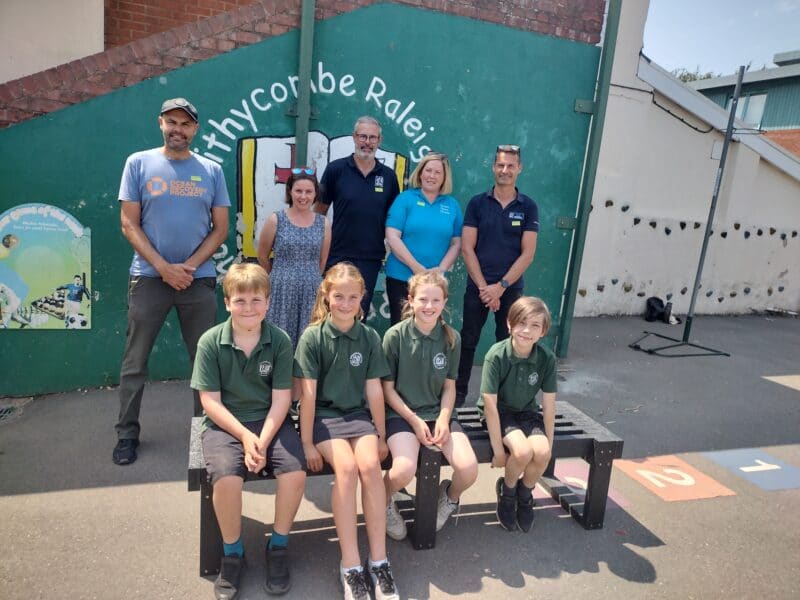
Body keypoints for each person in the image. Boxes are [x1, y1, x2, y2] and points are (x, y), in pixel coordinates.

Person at [113, 97, 230, 466]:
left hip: (198, 281)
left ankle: (207, 433)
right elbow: (128, 223)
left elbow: (221, 229)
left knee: (204, 361)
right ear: (160, 123)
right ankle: (127, 434)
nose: (178, 130)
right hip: (149, 278)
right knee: (135, 362)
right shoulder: (139, 163)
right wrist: (164, 267)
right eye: (172, 122)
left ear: (195, 129)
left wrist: (188, 267)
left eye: (186, 124)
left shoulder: (211, 170)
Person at [191, 263, 306, 599]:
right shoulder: (211, 342)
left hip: (270, 421)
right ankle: (233, 552)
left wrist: (263, 439)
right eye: (240, 301)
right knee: (226, 477)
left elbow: (283, 399)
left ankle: (279, 547)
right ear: (226, 303)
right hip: (226, 425)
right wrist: (244, 436)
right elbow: (209, 402)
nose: (249, 308)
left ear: (268, 302)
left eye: (256, 300)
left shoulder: (280, 340)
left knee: (295, 474)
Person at [293, 263, 399, 600]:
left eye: (353, 297)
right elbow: (307, 395)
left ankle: (379, 561)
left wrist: (381, 435)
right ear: (326, 294)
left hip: (357, 417)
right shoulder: (313, 336)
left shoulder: (369, 337)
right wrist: (307, 441)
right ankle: (351, 565)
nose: (345, 303)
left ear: (362, 298)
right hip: (324, 418)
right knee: (348, 469)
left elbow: (373, 391)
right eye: (338, 296)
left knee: (370, 467)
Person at [381, 270, 477, 540]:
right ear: (410, 300)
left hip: (437, 413)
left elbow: (449, 386)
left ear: (445, 302)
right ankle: (384, 499)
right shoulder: (394, 337)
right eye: (423, 299)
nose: (429, 306)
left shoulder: (451, 338)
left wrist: (444, 419)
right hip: (402, 414)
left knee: (468, 468)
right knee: (403, 469)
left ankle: (448, 497)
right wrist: (414, 420)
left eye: (436, 300)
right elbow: (387, 390)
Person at [456, 144, 538, 406]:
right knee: (468, 340)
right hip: (478, 287)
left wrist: (500, 287)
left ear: (519, 169)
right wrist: (484, 288)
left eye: (510, 166)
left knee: (508, 342)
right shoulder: (477, 203)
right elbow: (467, 248)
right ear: (493, 167)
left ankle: (503, 399)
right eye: (500, 165)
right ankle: (457, 397)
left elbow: (528, 254)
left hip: (510, 290)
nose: (505, 170)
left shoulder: (528, 207)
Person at [479, 296, 556, 533]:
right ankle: (508, 491)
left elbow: (549, 404)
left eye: (535, 325)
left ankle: (525, 493)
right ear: (510, 324)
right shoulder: (496, 355)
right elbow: (490, 405)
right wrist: (499, 450)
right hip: (500, 413)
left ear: (543, 331)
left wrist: (550, 445)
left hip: (526, 413)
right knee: (521, 452)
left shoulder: (546, 358)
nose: (527, 330)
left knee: (541, 452)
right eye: (522, 323)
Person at [316, 116, 400, 318]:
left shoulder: (388, 177)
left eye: (372, 138)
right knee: (331, 314)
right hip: (336, 255)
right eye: (363, 136)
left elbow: (393, 220)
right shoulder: (335, 170)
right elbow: (319, 213)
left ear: (379, 141)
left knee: (357, 316)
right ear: (354, 137)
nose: (367, 142)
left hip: (370, 258)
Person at [384, 153, 463, 325]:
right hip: (401, 277)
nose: (431, 176)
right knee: (401, 330)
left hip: (435, 282)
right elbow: (392, 235)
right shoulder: (405, 199)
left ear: (444, 178)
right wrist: (416, 267)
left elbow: (457, 243)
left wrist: (440, 270)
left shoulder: (452, 205)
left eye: (437, 172)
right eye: (428, 170)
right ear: (420, 173)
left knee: (428, 330)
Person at [257, 167, 331, 349]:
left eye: (308, 191)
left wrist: (309, 278)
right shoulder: (276, 219)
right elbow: (262, 255)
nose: (303, 196)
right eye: (298, 191)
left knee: (308, 340)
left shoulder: (323, 223)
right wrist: (279, 275)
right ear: (290, 191)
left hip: (311, 291)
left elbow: (322, 261)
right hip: (280, 289)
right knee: (279, 340)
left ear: (315, 194)